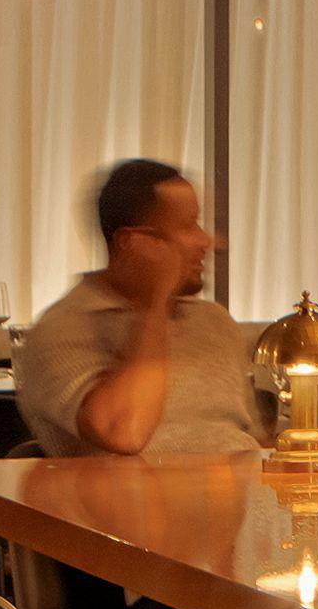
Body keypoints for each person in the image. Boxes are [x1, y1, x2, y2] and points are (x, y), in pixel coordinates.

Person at [21, 158, 262, 461]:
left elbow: (252, 439)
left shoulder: (214, 321)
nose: (206, 241)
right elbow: (124, 432)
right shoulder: (62, 330)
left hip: (244, 487)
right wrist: (155, 303)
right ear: (130, 242)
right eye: (187, 226)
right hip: (136, 491)